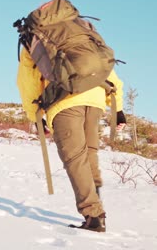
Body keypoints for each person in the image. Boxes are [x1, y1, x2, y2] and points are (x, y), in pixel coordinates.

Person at [16, 48, 127, 232]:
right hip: (95, 96)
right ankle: (97, 213)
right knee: (89, 155)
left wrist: (34, 115)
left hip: (64, 99)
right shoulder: (79, 31)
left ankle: (93, 216)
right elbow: (105, 66)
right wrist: (117, 107)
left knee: (75, 158)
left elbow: (27, 80)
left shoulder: (36, 37)